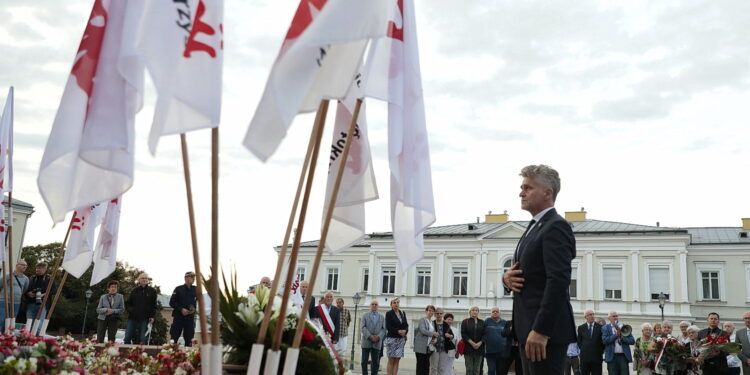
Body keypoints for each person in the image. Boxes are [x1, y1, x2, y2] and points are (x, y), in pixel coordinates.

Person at [502, 164, 576, 374]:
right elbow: (526, 273)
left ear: (547, 192)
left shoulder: (556, 226)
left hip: (544, 335)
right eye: (522, 187)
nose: (521, 193)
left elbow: (558, 281)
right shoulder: (535, 226)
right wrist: (506, 279)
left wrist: (541, 330)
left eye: (528, 188)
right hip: (528, 330)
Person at [124, 273, 157, 344]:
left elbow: (154, 305)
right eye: (142, 278)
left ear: (148, 280)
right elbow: (128, 303)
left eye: (146, 278)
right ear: (139, 280)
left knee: (143, 338)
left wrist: (152, 316)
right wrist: (131, 310)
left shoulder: (152, 291)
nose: (144, 279)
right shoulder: (134, 290)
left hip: (145, 319)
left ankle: (142, 354)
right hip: (133, 318)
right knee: (127, 337)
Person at [25, 262, 56, 334]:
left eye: (39, 268)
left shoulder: (49, 278)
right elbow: (26, 289)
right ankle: (27, 341)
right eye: (37, 268)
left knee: (38, 325)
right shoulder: (32, 278)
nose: (37, 269)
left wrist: (43, 295)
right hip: (30, 304)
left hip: (43, 305)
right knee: (29, 325)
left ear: (44, 269)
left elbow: (54, 290)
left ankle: (36, 342)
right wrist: (28, 293)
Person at [601, 311, 634, 375]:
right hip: (612, 357)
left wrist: (623, 338)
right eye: (614, 316)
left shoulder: (624, 327)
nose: (616, 317)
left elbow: (632, 341)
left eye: (616, 316)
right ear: (609, 318)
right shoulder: (605, 328)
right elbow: (604, 341)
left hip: (623, 357)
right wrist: (615, 336)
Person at [0, 260, 29, 333]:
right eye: (23, 265)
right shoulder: (7, 275)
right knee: (1, 319)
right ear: (17, 265)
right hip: (4, 301)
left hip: (16, 302)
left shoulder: (26, 279)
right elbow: (0, 285)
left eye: (26, 265)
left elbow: (24, 289)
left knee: (10, 321)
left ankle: (4, 336)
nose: (25, 266)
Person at [170, 271, 197, 346]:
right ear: (185, 278)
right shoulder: (178, 289)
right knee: (174, 339)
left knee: (189, 340)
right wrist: (181, 309)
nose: (193, 279)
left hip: (190, 319)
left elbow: (199, 302)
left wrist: (194, 310)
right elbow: (172, 302)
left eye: (193, 277)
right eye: (191, 277)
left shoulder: (196, 289)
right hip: (178, 317)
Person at [361, 300, 386, 375]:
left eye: (376, 304)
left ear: (378, 306)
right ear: (370, 305)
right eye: (373, 304)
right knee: (364, 362)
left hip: (377, 342)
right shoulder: (365, 315)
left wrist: (378, 337)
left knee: (376, 363)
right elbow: (363, 327)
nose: (374, 305)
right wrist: (370, 336)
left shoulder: (382, 317)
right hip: (366, 341)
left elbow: (384, 329)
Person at [484, 307, 511, 375]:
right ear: (491, 313)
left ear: (500, 313)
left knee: (500, 371)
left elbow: (508, 335)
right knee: (491, 370)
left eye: (497, 311)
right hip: (490, 352)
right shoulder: (487, 321)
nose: (495, 312)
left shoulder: (505, 322)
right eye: (493, 311)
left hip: (502, 352)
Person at [385, 297, 408, 375]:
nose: (396, 304)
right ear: (391, 305)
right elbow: (388, 326)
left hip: (400, 340)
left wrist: (405, 331)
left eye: (398, 302)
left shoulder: (402, 313)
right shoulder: (389, 313)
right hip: (392, 338)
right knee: (391, 359)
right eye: (394, 303)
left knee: (397, 359)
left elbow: (406, 325)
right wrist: (398, 331)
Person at [577, 309, 604, 375]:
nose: (592, 316)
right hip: (584, 359)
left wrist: (600, 351)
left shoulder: (600, 327)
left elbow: (603, 342)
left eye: (593, 314)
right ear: (585, 317)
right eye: (590, 315)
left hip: (597, 358)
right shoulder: (581, 328)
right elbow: (579, 342)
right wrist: (585, 349)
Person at [461, 306, 486, 375]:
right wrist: (472, 343)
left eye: (476, 310)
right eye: (473, 310)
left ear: (478, 312)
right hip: (468, 348)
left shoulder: (482, 322)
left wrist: (479, 343)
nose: (475, 311)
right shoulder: (465, 321)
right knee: (469, 369)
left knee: (477, 369)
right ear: (470, 312)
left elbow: (485, 334)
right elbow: (463, 334)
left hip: (479, 348)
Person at [430, 308, 456, 375]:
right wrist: (432, 340)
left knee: (442, 368)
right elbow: (427, 335)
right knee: (433, 368)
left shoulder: (446, 324)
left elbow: (452, 335)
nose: (439, 315)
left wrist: (449, 336)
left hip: (444, 349)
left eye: (440, 313)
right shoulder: (431, 323)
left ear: (442, 314)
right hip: (434, 349)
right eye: (437, 313)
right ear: (435, 314)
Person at [414, 305, 436, 375]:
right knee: (420, 366)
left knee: (426, 366)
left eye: (432, 311)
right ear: (426, 311)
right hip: (420, 347)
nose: (431, 312)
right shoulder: (422, 320)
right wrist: (433, 334)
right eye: (429, 310)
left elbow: (434, 334)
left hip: (428, 347)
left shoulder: (432, 322)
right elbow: (423, 330)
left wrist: (435, 339)